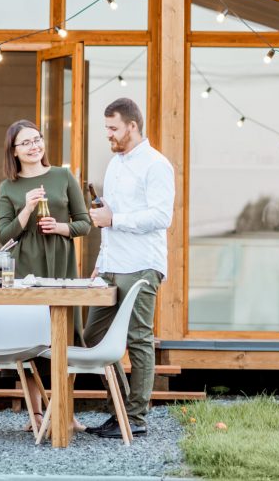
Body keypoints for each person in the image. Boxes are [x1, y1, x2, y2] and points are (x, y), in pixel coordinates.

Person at [84, 98, 174, 439]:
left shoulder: (156, 165)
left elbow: (161, 216)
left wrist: (115, 218)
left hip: (142, 264)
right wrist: (100, 262)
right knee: (94, 336)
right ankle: (120, 405)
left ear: (132, 127)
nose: (108, 134)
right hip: (112, 265)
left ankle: (135, 417)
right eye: (106, 128)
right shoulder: (115, 164)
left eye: (113, 128)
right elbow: (110, 220)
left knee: (138, 339)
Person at [0, 119, 90, 430]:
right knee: (33, 338)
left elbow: (85, 222)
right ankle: (35, 414)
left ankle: (65, 411)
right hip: (25, 268)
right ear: (14, 151)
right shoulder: (8, 187)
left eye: (37, 139)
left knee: (65, 336)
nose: (34, 146)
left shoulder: (63, 176)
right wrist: (26, 209)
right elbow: (3, 234)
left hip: (61, 263)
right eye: (26, 142)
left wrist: (60, 227)